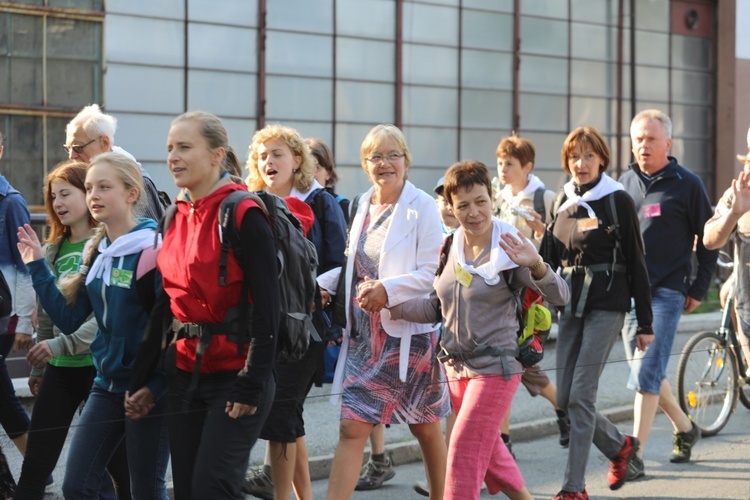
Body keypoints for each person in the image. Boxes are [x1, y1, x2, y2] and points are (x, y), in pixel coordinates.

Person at [389, 160, 568, 500]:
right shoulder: (449, 247)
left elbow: (561, 295)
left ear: (491, 198)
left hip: (497, 368)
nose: (473, 212)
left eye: (480, 201)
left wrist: (537, 263)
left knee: (463, 450)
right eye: (463, 205)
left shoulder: (510, 246)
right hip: (456, 370)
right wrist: (388, 303)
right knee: (493, 458)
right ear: (452, 208)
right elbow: (434, 308)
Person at [128, 111, 279, 500]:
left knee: (214, 488)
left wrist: (251, 384)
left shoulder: (243, 213)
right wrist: (145, 379)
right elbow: (166, 305)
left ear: (217, 155)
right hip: (184, 374)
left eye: (184, 147)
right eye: (169, 148)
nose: (173, 157)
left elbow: (268, 307)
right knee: (189, 492)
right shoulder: (172, 216)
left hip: (237, 374)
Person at [17, 152, 169, 499]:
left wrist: (156, 386)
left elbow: (170, 329)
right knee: (77, 485)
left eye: (104, 187)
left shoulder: (154, 249)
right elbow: (69, 319)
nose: (94, 196)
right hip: (107, 385)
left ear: (132, 194)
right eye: (89, 188)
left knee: (145, 489)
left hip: (148, 389)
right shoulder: (99, 251)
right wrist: (38, 267)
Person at [317, 124, 451, 500]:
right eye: (376, 156)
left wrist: (386, 290)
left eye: (393, 155)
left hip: (409, 338)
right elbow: (354, 265)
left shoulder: (422, 205)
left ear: (406, 161)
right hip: (365, 339)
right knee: (352, 428)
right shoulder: (361, 204)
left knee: (424, 427)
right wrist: (323, 285)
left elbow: (431, 273)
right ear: (365, 164)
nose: (385, 163)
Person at [542, 126, 653, 500]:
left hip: (608, 304)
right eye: (574, 156)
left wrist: (646, 322)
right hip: (571, 306)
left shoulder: (617, 199)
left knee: (581, 396)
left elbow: (637, 261)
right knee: (564, 399)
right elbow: (546, 258)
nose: (581, 163)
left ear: (602, 159)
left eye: (589, 156)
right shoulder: (562, 199)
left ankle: (573, 489)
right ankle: (621, 447)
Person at [243, 125, 346, 500]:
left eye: (277, 153)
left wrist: (316, 289)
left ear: (297, 159)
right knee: (287, 419)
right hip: (265, 326)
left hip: (306, 327)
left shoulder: (321, 202)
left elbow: (339, 261)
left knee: (279, 417)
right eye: (262, 155)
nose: (268, 161)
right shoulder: (251, 202)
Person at [619, 110, 717, 478]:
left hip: (667, 292)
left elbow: (709, 243)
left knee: (645, 374)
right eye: (638, 138)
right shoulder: (623, 184)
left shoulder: (687, 184)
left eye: (651, 138)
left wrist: (698, 286)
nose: (643, 145)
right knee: (648, 372)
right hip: (630, 296)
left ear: (668, 143)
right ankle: (685, 427)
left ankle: (633, 456)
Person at [493, 134, 570, 452]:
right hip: (500, 289)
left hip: (530, 294)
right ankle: (564, 411)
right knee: (513, 364)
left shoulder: (546, 197)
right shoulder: (497, 197)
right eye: (499, 163)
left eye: (509, 164)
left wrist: (541, 232)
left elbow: (559, 249)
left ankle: (505, 441)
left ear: (527, 167)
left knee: (510, 362)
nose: (502, 169)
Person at [0, 128, 36, 474]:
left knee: (3, 397)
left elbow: (27, 268)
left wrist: (24, 322)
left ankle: (38, 468)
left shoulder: (11, 203)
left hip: (2, 317)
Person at [65, 104, 165, 220]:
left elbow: (152, 232)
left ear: (104, 143)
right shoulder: (78, 179)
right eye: (68, 148)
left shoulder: (136, 180)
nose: (71, 156)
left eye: (78, 148)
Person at [703, 126, 750, 372]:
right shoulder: (738, 196)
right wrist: (734, 213)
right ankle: (738, 356)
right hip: (747, 310)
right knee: (726, 293)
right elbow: (710, 240)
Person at [308, 137, 350, 221]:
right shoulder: (290, 204)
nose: (310, 175)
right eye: (305, 168)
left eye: (317, 168)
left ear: (328, 173)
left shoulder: (341, 205)